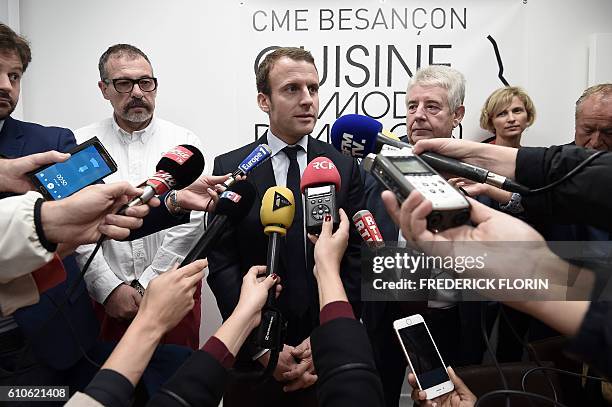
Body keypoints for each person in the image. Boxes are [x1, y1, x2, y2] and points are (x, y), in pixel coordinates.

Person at [208, 47, 364, 406]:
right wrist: (260, 343)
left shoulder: (344, 165)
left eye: (313, 88)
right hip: (253, 359)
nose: (308, 99)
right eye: (292, 89)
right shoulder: (232, 166)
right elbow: (222, 263)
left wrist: (330, 336)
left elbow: (356, 258)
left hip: (326, 352)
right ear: (264, 100)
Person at [0, 22, 108, 394]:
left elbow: (90, 222)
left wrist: (170, 201)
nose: (5, 85)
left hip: (46, 336)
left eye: (14, 75)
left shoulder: (51, 142)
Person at [74, 44, 204, 349]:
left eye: (145, 82)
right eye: (123, 83)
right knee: (107, 392)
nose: (137, 92)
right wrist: (108, 288)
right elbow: (75, 224)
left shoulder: (185, 143)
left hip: (172, 294)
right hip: (103, 302)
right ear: (104, 89)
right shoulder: (80, 144)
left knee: (174, 391)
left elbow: (193, 222)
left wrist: (151, 285)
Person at [361, 65, 475, 407]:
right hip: (387, 316)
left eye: (432, 107)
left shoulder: (479, 177)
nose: (418, 116)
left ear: (458, 115)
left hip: (450, 319)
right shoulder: (379, 170)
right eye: (412, 106)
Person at [574, 83, 612, 151]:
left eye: (609, 133)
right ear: (576, 126)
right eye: (588, 130)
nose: (595, 143)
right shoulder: (555, 159)